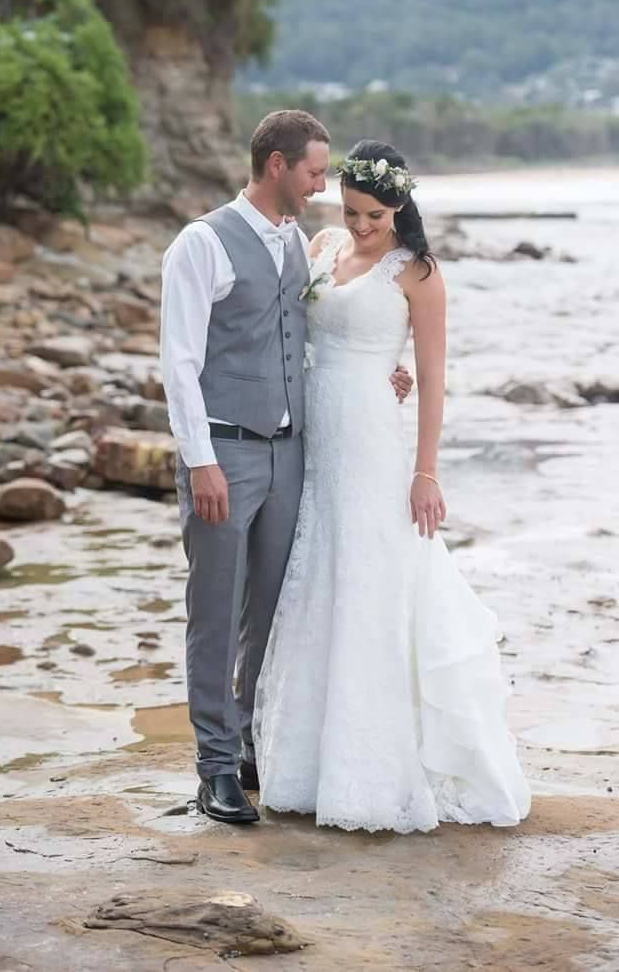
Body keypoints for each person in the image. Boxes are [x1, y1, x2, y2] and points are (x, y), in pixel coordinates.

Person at [253, 140, 532, 833]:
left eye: (373, 215)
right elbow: (294, 333)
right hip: (311, 439)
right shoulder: (320, 246)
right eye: (350, 211)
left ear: (400, 206)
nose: (360, 226)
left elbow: (434, 378)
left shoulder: (419, 275)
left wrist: (426, 470)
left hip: (374, 445)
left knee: (372, 582)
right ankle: (301, 761)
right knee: (315, 577)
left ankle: (372, 767)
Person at [160, 113, 413, 824]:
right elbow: (178, 363)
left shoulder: (303, 247)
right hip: (224, 453)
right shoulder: (201, 243)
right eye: (312, 172)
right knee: (214, 612)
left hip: (291, 452)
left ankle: (245, 743)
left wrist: (381, 376)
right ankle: (213, 770)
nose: (320, 184)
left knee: (269, 609)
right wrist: (199, 460)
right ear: (277, 165)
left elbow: (307, 341)